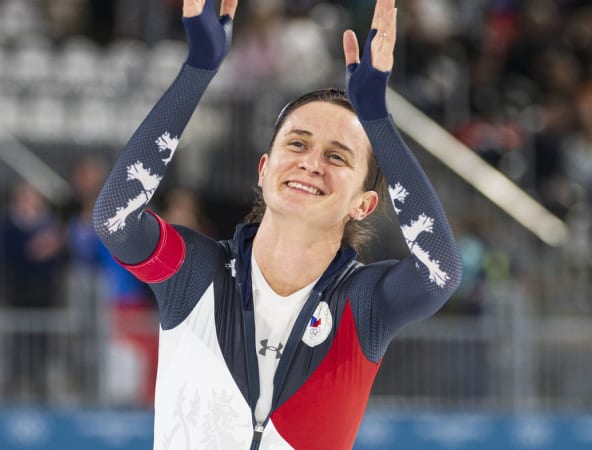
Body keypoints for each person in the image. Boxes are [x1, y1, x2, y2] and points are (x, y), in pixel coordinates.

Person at [92, 1, 463, 449]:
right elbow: (116, 219)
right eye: (298, 143)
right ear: (264, 169)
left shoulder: (363, 305)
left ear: (364, 205)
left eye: (337, 156)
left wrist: (378, 120)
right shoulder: (197, 275)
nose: (310, 163)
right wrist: (198, 69)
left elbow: (439, 271)